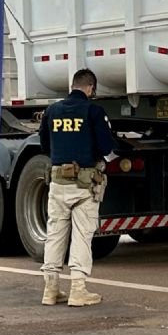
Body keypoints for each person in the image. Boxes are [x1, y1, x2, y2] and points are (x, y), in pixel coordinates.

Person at [39, 68, 116, 307]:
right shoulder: (94, 111)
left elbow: (45, 144)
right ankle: (78, 290)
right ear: (90, 88)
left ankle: (50, 290)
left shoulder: (52, 111)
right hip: (84, 184)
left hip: (58, 182)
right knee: (82, 235)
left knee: (55, 234)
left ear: (72, 86)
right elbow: (106, 147)